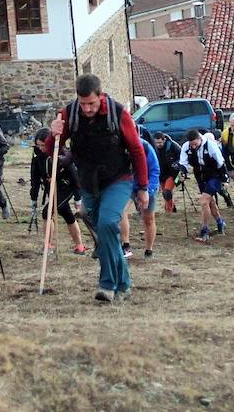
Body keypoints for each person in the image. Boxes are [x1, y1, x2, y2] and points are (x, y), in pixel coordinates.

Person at [43, 74, 149, 302]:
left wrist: (142, 186)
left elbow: (137, 150)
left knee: (108, 223)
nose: (87, 108)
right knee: (105, 234)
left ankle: (107, 284)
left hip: (118, 178)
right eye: (83, 104)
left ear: (101, 96)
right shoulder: (69, 114)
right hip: (88, 182)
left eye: (91, 103)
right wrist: (54, 133)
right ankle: (124, 283)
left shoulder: (118, 113)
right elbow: (51, 149)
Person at [30, 128, 87, 257]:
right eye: (38, 145)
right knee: (67, 214)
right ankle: (79, 245)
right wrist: (33, 198)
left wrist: (78, 198)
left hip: (65, 188)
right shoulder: (37, 157)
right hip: (51, 189)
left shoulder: (62, 153)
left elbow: (74, 176)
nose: (41, 148)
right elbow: (35, 179)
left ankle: (48, 245)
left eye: (43, 145)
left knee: (47, 212)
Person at [119, 126, 160, 259]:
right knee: (120, 211)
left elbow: (154, 170)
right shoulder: (118, 148)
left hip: (147, 184)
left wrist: (149, 190)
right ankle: (125, 245)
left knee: (148, 218)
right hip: (127, 184)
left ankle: (149, 250)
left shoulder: (146, 147)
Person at [182, 128, 229, 242]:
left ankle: (205, 230)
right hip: (200, 176)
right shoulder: (186, 146)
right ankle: (220, 222)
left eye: (195, 144)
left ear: (199, 138)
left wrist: (225, 180)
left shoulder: (210, 145)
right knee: (210, 202)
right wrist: (183, 173)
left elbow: (220, 163)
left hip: (214, 175)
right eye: (191, 144)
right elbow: (183, 163)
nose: (193, 146)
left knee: (203, 201)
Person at [150, 131, 181, 213]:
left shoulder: (173, 145)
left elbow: (182, 156)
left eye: (160, 142)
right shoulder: (152, 147)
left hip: (171, 173)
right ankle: (172, 207)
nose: (158, 145)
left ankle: (169, 210)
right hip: (160, 174)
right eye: (156, 143)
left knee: (167, 192)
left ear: (164, 140)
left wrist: (177, 163)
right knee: (165, 193)